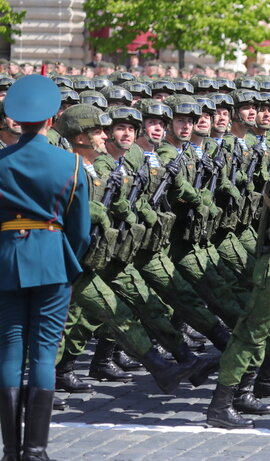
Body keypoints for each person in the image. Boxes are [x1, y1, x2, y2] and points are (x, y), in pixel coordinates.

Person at [0, 75, 90, 461]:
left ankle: (10, 450)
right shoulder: (69, 163)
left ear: (15, 120)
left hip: (6, 259)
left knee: (8, 351)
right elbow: (81, 229)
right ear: (53, 119)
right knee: (42, 354)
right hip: (53, 258)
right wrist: (67, 261)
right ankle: (35, 451)